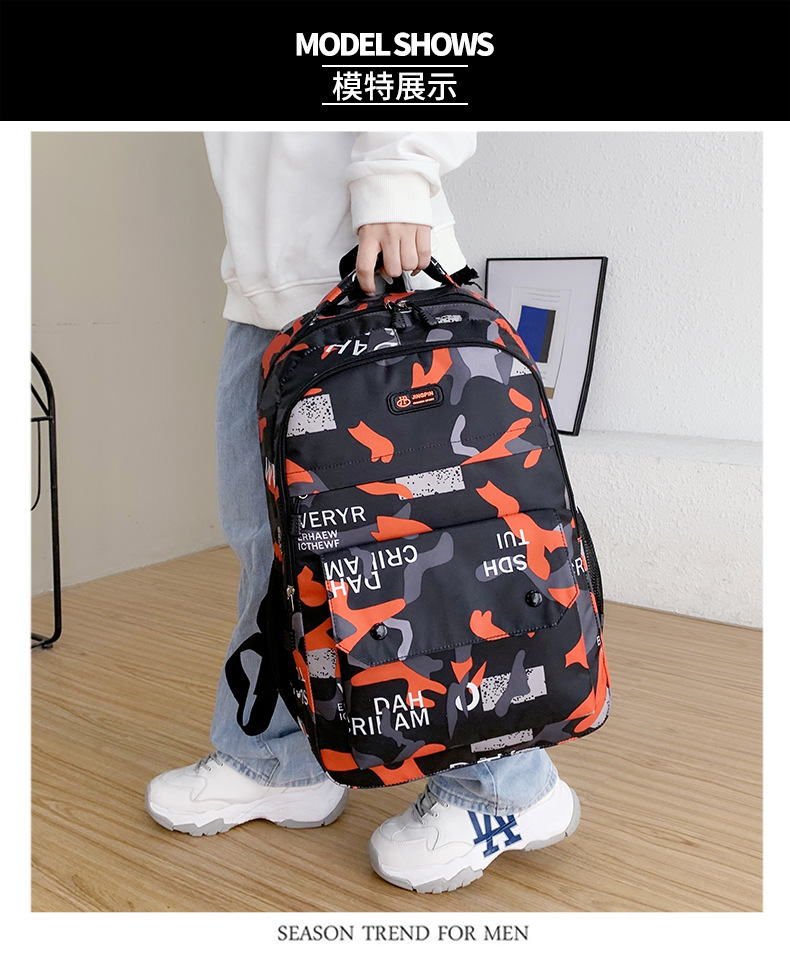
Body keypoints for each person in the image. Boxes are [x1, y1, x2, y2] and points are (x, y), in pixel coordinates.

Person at [145, 132, 579, 893]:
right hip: (264, 291)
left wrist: (396, 175)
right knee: (274, 553)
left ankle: (504, 787)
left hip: (381, 258)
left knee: (437, 546)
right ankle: (282, 758)